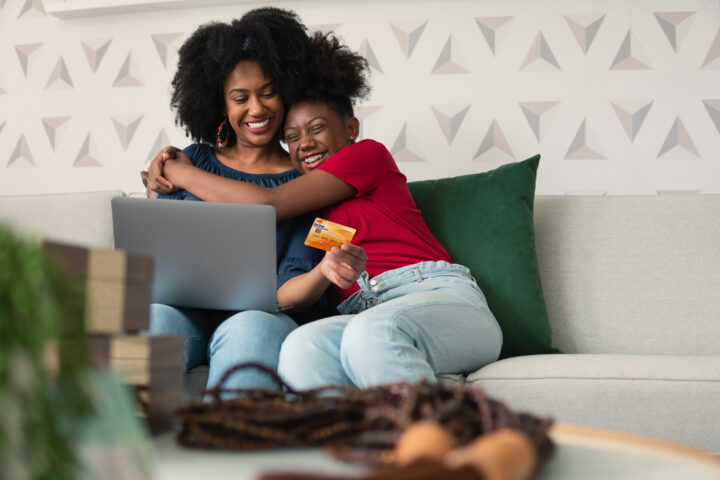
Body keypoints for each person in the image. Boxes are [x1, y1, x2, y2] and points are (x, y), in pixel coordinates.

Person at [148, 31, 502, 390]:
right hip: (362, 309)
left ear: (351, 129)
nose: (306, 144)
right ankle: (337, 442)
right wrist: (158, 183)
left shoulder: (364, 157)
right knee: (304, 347)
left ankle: (431, 440)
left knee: (369, 332)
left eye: (317, 128)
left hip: (428, 291)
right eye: (294, 137)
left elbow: (268, 204)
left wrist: (181, 171)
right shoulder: (313, 207)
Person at [142, 8, 350, 395]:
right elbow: (161, 239)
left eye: (268, 92)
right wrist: (156, 186)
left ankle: (230, 439)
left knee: (248, 328)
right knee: (153, 321)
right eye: (240, 98)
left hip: (268, 313)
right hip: (185, 312)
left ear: (288, 90)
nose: (256, 109)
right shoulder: (192, 159)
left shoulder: (308, 181)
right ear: (222, 105)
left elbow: (302, 274)